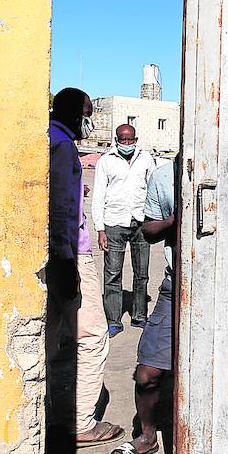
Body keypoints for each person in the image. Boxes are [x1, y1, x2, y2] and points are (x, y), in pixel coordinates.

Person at [48, 88, 122, 446]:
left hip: (57, 255)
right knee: (92, 336)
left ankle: (47, 409)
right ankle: (80, 423)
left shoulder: (49, 139)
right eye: (87, 113)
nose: (88, 121)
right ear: (76, 113)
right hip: (71, 256)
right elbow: (61, 210)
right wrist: (67, 267)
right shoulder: (62, 147)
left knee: (54, 336)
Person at [106, 157, 177, 454]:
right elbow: (148, 229)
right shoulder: (163, 176)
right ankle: (147, 437)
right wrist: (176, 221)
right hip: (177, 287)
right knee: (148, 374)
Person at [91, 124, 157, 336]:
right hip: (114, 224)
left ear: (136, 139)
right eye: (122, 140)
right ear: (116, 139)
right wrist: (100, 229)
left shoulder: (146, 159)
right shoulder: (106, 161)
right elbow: (98, 196)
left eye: (130, 140)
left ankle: (139, 316)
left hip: (140, 222)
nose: (126, 144)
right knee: (112, 274)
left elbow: (152, 188)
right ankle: (113, 320)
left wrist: (153, 220)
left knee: (142, 274)